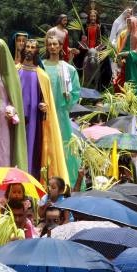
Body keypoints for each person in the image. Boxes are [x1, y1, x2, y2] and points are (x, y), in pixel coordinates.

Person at [17, 40, 68, 181]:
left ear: (36, 51)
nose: (29, 49)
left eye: (32, 47)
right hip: (16, 120)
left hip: (35, 121)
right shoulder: (15, 71)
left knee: (33, 151)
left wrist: (45, 107)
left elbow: (47, 101)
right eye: (27, 46)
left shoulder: (42, 75)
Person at [43, 35, 82, 188]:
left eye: (55, 44)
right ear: (47, 47)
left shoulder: (68, 69)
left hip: (61, 115)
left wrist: (68, 99)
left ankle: (68, 182)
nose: (53, 47)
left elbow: (75, 92)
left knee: (64, 147)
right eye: (50, 44)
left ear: (60, 47)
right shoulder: (41, 67)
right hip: (44, 115)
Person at [0, 38, 27, 170]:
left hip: (4, 120)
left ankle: (3, 188)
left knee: (4, 152)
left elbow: (14, 100)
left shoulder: (9, 75)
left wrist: (12, 110)